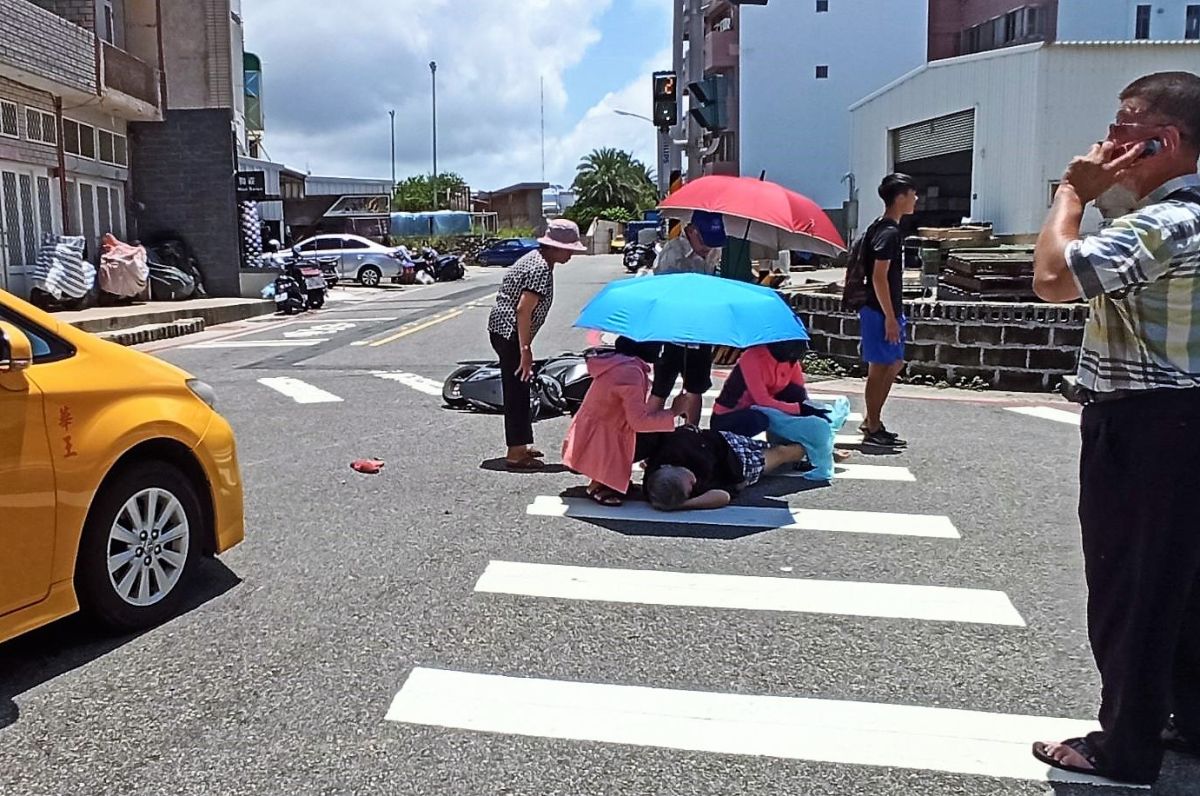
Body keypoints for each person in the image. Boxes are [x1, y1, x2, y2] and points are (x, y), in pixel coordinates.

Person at [1029, 71, 1200, 786]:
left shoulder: (1167, 224)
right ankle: (1184, 719)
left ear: (1165, 140)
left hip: (1146, 424)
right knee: (1181, 587)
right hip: (1184, 419)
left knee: (1129, 587)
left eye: (1123, 127)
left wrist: (1072, 192)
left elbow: (1052, 278)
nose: (1105, 141)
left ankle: (1125, 745)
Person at [486, 218, 587, 470]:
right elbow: (524, 310)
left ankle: (520, 445)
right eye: (568, 249)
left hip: (503, 330)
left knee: (520, 387)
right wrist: (525, 350)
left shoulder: (536, 260)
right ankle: (516, 452)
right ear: (555, 247)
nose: (571, 254)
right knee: (518, 390)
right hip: (510, 333)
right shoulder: (540, 268)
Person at [561, 337, 687, 505]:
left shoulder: (619, 363)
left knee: (655, 432)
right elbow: (638, 422)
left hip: (591, 437)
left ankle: (609, 479)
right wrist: (674, 411)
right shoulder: (630, 372)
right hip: (602, 442)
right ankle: (599, 484)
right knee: (657, 436)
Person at [710, 341, 852, 478]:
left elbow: (800, 397)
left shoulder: (791, 362)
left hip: (763, 410)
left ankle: (806, 449)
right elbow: (762, 401)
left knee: (794, 396)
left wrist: (821, 433)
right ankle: (736, 454)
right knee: (759, 419)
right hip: (729, 417)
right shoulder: (752, 357)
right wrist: (799, 409)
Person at [648, 210, 727, 424]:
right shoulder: (672, 254)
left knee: (696, 387)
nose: (708, 247)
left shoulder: (715, 250)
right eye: (704, 240)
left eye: (713, 241)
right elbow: (663, 292)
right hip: (672, 329)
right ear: (691, 231)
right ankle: (648, 434)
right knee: (661, 386)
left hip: (701, 329)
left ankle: (692, 433)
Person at [859, 174, 918, 448]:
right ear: (900, 197)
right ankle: (873, 425)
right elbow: (878, 276)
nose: (916, 199)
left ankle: (872, 419)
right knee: (881, 368)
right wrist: (890, 318)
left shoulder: (881, 228)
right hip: (880, 311)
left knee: (892, 364)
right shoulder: (889, 233)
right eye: (912, 194)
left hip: (882, 310)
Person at [643, 426, 807, 511]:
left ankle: (806, 444)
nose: (693, 481)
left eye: (687, 478)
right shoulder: (693, 488)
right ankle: (809, 451)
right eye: (690, 488)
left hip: (723, 440)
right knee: (780, 453)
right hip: (740, 466)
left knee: (768, 446)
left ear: (666, 467)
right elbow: (722, 497)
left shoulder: (661, 460)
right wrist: (683, 505)